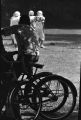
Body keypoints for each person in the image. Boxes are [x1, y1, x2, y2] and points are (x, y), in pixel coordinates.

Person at [1, 14, 39, 79]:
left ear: (20, 21)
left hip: (26, 55)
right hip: (36, 54)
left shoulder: (18, 27)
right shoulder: (32, 29)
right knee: (29, 75)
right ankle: (30, 86)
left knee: (14, 75)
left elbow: (4, 32)